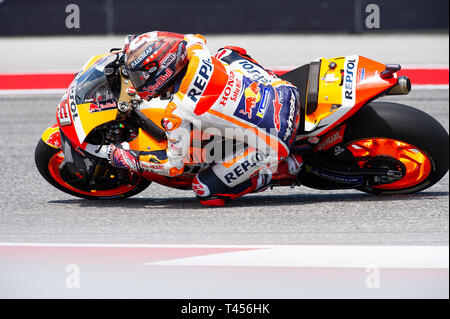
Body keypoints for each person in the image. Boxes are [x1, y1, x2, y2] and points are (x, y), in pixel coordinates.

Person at [109, 31, 303, 206]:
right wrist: (135, 47)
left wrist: (126, 158)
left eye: (140, 76)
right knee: (226, 53)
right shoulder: (196, 50)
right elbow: (191, 38)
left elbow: (173, 166)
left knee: (205, 190)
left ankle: (279, 171)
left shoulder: (177, 111)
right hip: (284, 90)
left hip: (275, 137)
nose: (137, 82)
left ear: (161, 72)